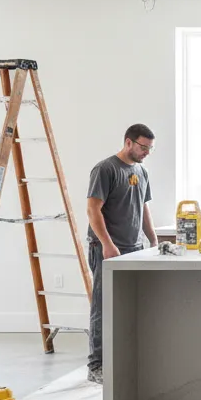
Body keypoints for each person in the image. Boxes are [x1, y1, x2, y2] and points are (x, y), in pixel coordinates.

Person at [85, 124, 157, 384]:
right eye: (143, 147)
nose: (147, 152)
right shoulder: (105, 169)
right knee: (103, 307)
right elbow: (93, 209)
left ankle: (120, 360)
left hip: (134, 248)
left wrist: (152, 238)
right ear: (128, 143)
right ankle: (96, 366)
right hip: (107, 249)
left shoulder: (142, 171)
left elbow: (143, 207)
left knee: (127, 306)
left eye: (150, 148)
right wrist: (106, 244)